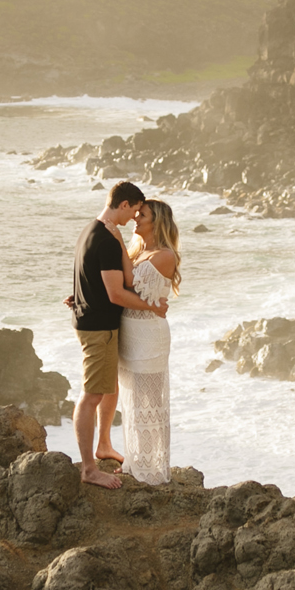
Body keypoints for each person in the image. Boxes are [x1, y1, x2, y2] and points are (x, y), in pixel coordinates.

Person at [65, 181, 160, 489]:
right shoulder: (105, 240)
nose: (134, 216)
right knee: (91, 395)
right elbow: (117, 293)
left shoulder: (92, 231)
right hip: (98, 329)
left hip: (94, 322)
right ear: (123, 204)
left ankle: (104, 444)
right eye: (134, 209)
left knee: (108, 388)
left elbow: (88, 276)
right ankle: (89, 469)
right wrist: (153, 306)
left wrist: (79, 297)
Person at [119, 199, 181, 486]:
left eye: (141, 215)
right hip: (128, 334)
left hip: (150, 337)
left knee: (151, 403)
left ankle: (154, 470)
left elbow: (128, 285)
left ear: (157, 222)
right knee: (131, 400)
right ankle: (135, 461)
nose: (135, 218)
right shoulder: (136, 252)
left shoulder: (165, 255)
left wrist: (114, 239)